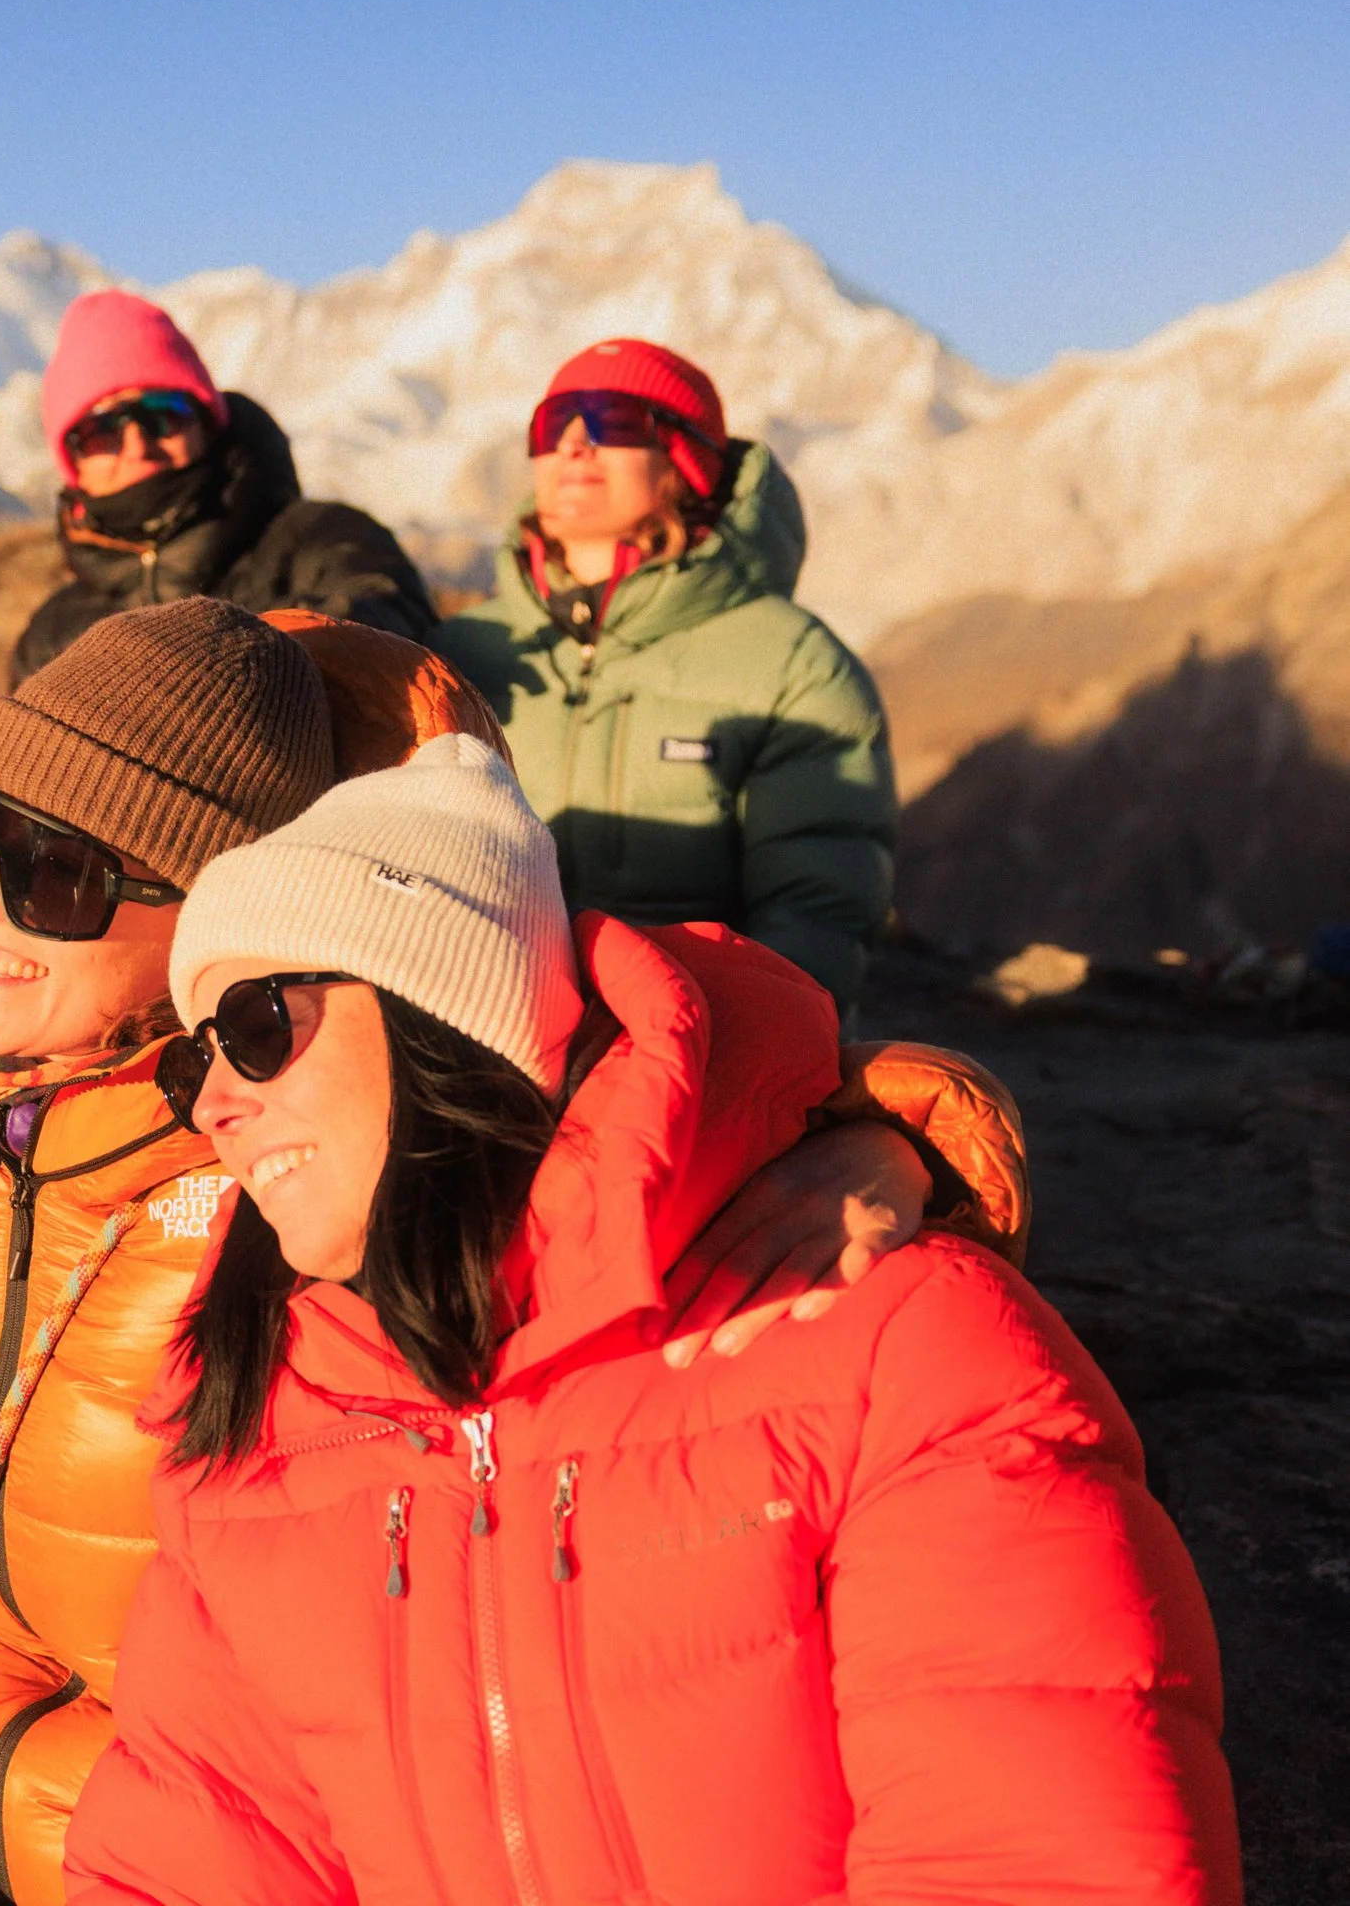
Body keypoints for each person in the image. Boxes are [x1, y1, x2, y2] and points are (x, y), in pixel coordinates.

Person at [0, 600, 1026, 1906]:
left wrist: (903, 1133)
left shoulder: (300, 1127)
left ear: (221, 913)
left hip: (177, 1831)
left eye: (60, 873)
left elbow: (656, 1065)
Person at [63, 734, 1240, 1905]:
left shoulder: (892, 1344)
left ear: (445, 1014)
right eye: (194, 1061)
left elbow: (1039, 1857)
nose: (215, 1104)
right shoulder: (255, 1439)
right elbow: (186, 1862)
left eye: (259, 1025)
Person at [428, 338, 897, 1017]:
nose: (574, 445)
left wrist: (718, 1044)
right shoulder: (457, 653)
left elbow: (817, 914)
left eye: (613, 421)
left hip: (701, 1033)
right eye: (553, 425)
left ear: (686, 460)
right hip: (483, 1027)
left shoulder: (793, 664)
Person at [10, 292, 437, 678]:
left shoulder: (323, 538)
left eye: (164, 412)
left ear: (207, 424)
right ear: (72, 462)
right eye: (101, 430)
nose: (138, 445)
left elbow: (387, 621)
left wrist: (233, 668)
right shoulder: (51, 636)